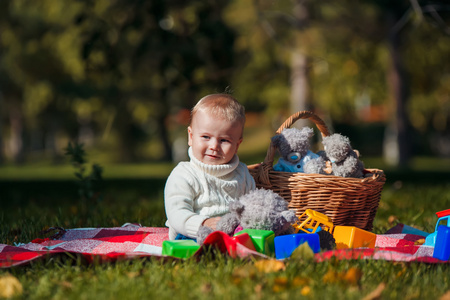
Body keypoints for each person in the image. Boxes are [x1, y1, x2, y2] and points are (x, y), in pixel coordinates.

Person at [164, 93, 256, 240]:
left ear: (237, 145)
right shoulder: (184, 174)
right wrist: (203, 223)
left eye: (224, 140)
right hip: (190, 234)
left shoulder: (242, 173)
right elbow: (177, 213)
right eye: (206, 137)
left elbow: (251, 205)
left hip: (232, 233)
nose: (214, 146)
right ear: (191, 136)